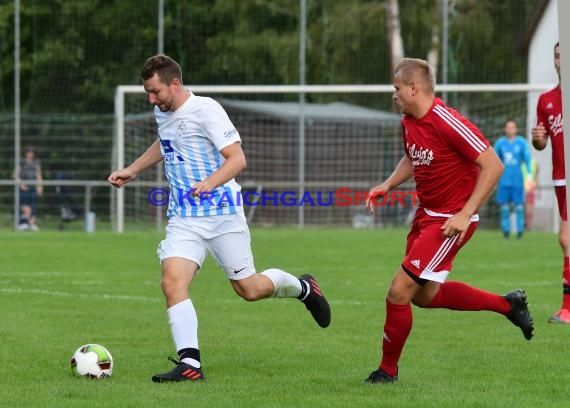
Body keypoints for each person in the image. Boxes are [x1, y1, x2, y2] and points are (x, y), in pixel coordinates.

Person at [108, 55, 331, 383]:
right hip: (185, 216)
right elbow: (166, 142)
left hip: (223, 214)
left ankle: (303, 288)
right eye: (147, 92)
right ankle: (190, 364)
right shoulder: (163, 112)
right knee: (172, 281)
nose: (150, 99)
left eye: (155, 91)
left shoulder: (206, 110)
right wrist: (133, 169)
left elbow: (237, 158)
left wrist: (210, 182)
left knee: (249, 289)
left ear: (174, 83)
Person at [363, 58, 533, 384]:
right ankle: (508, 305)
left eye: (397, 88)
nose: (394, 95)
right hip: (426, 217)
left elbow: (493, 166)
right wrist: (387, 184)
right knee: (423, 297)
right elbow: (413, 156)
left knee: (398, 291)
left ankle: (387, 372)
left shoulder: (447, 121)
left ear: (414, 88)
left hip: (449, 221)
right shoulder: (408, 121)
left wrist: (464, 214)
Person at [532, 41, 568, 324]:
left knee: (566, 239)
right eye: (557, 55)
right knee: (566, 240)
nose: (560, 60)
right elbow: (541, 143)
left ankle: (567, 309)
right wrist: (538, 138)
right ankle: (566, 309)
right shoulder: (546, 100)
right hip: (561, 178)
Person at [493, 119, 533, 239]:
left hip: (517, 181)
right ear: (505, 129)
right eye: (508, 127)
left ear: (516, 129)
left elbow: (527, 160)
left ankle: (520, 232)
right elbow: (494, 160)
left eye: (512, 127)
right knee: (504, 208)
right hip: (504, 181)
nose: (510, 129)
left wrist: (530, 175)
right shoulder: (500, 143)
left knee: (519, 207)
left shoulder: (521, 143)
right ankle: (506, 232)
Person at [14, 146, 43, 227]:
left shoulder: (36, 162)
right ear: (25, 153)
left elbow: (39, 175)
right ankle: (23, 223)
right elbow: (15, 174)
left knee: (33, 205)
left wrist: (40, 187)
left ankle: (32, 223)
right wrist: (21, 184)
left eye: (32, 153)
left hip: (33, 187)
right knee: (24, 205)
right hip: (23, 188)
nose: (30, 154)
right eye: (29, 152)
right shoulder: (21, 162)